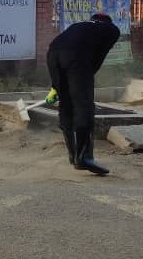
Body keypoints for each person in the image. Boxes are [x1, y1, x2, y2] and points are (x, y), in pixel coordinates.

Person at [47, 12, 120, 175]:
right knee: (83, 105)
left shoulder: (79, 26)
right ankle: (84, 157)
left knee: (66, 104)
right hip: (76, 58)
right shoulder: (112, 30)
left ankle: (73, 155)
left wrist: (55, 86)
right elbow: (98, 58)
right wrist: (85, 79)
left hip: (53, 53)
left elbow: (64, 46)